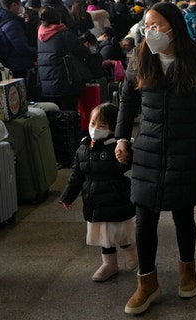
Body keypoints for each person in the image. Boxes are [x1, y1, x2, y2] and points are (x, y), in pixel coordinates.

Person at [113, 2, 196, 315]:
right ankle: (146, 282)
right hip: (147, 148)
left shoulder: (195, 57)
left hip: (185, 147)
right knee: (145, 217)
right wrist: (121, 138)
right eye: (147, 25)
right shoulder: (140, 56)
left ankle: (187, 269)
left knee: (182, 214)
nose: (150, 32)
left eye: (157, 25)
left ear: (174, 27)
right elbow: (127, 101)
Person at [59, 103, 138, 282]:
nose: (95, 129)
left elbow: (125, 164)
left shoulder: (115, 147)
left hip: (116, 199)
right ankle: (109, 264)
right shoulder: (83, 148)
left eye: (101, 126)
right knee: (103, 235)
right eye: (93, 123)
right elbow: (76, 175)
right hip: (94, 201)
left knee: (121, 231)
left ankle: (130, 251)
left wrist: (125, 157)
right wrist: (68, 196)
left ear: (112, 128)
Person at [37, 6, 90, 111]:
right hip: (65, 82)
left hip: (47, 83)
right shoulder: (64, 34)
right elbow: (83, 53)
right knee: (69, 115)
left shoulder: (40, 35)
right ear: (59, 19)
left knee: (55, 114)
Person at [0, 0, 36, 80]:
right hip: (18, 64)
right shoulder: (12, 24)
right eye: (19, 4)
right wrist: (38, 52)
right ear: (14, 5)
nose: (21, 7)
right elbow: (22, 47)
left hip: (6, 63)